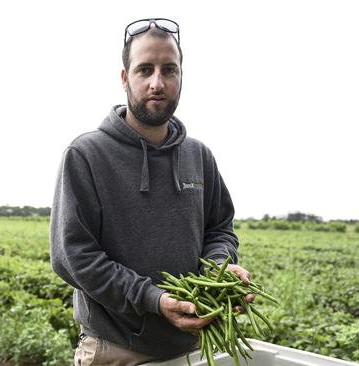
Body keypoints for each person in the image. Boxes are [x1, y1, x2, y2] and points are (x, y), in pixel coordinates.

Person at [50, 18, 254, 366]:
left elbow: (219, 229)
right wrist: (153, 299)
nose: (157, 83)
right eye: (145, 69)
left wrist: (218, 270)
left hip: (192, 346)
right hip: (116, 351)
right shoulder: (86, 155)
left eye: (169, 70)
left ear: (181, 78)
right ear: (125, 78)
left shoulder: (199, 156)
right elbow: (74, 256)